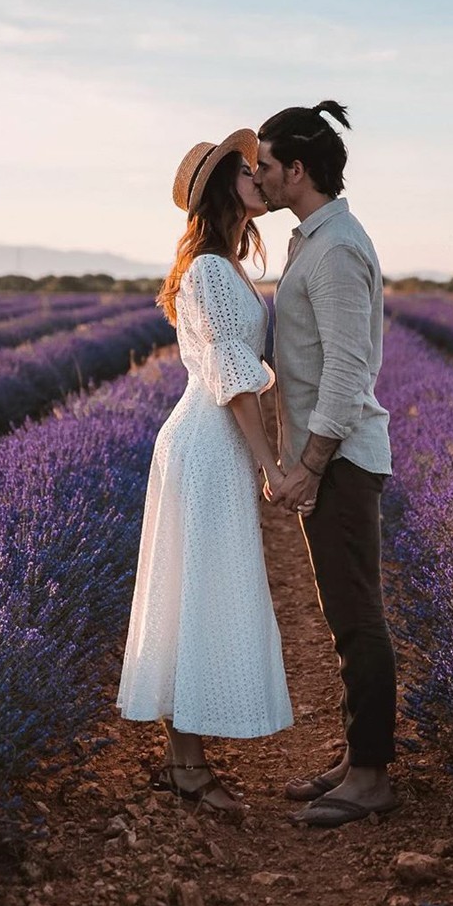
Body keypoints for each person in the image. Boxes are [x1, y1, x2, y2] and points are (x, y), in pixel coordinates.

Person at [116, 129, 293, 815]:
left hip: (208, 440)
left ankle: (184, 757)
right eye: (247, 171)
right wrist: (270, 464)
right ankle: (186, 765)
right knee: (199, 588)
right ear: (223, 188)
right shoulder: (213, 271)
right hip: (209, 440)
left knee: (197, 586)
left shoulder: (225, 264)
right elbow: (232, 381)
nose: (258, 177)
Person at [253, 100, 397, 828]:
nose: (260, 177)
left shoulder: (336, 247)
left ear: (298, 170)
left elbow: (347, 369)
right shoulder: (316, 239)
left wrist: (309, 461)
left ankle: (372, 775)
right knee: (342, 613)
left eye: (268, 166)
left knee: (358, 617)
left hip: (342, 457)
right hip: (331, 455)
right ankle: (355, 754)